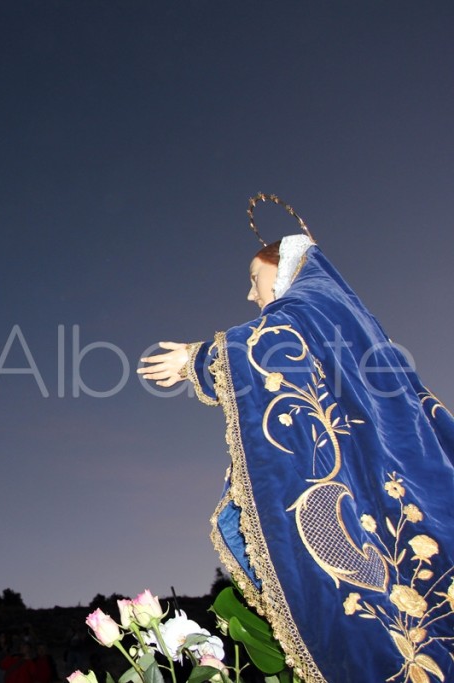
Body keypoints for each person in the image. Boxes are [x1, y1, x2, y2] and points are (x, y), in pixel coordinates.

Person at [137, 209, 454, 682]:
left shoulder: (311, 302)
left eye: (253, 277)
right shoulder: (346, 313)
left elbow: (276, 340)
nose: (249, 294)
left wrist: (199, 358)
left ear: (282, 268)